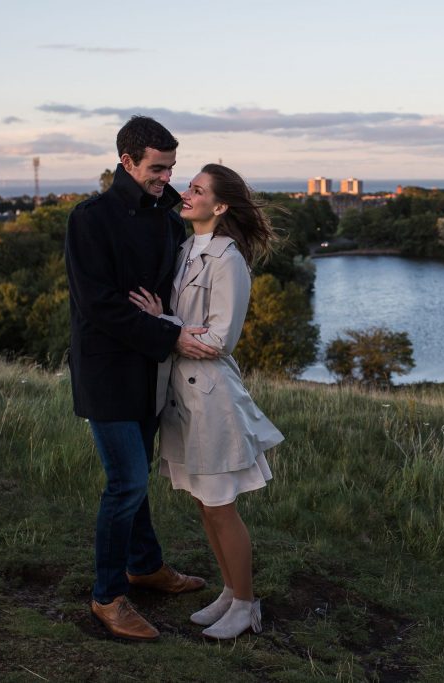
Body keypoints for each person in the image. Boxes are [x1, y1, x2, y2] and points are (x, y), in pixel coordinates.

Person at [65, 115, 218, 642]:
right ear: (127, 161)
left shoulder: (167, 219)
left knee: (138, 476)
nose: (166, 177)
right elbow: (100, 305)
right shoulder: (90, 220)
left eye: (172, 168)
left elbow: (177, 288)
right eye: (157, 168)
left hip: (150, 371)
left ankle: (145, 565)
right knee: (126, 480)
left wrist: (167, 320)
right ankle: (108, 597)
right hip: (105, 371)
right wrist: (167, 335)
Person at [128, 163, 284, 640]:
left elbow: (219, 340)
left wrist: (165, 327)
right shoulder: (184, 247)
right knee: (204, 503)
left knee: (220, 506)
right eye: (188, 186)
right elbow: (183, 325)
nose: (186, 193)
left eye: (197, 189)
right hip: (181, 395)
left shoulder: (228, 258)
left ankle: (246, 604)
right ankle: (230, 590)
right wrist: (171, 324)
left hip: (212, 398)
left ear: (220, 206)